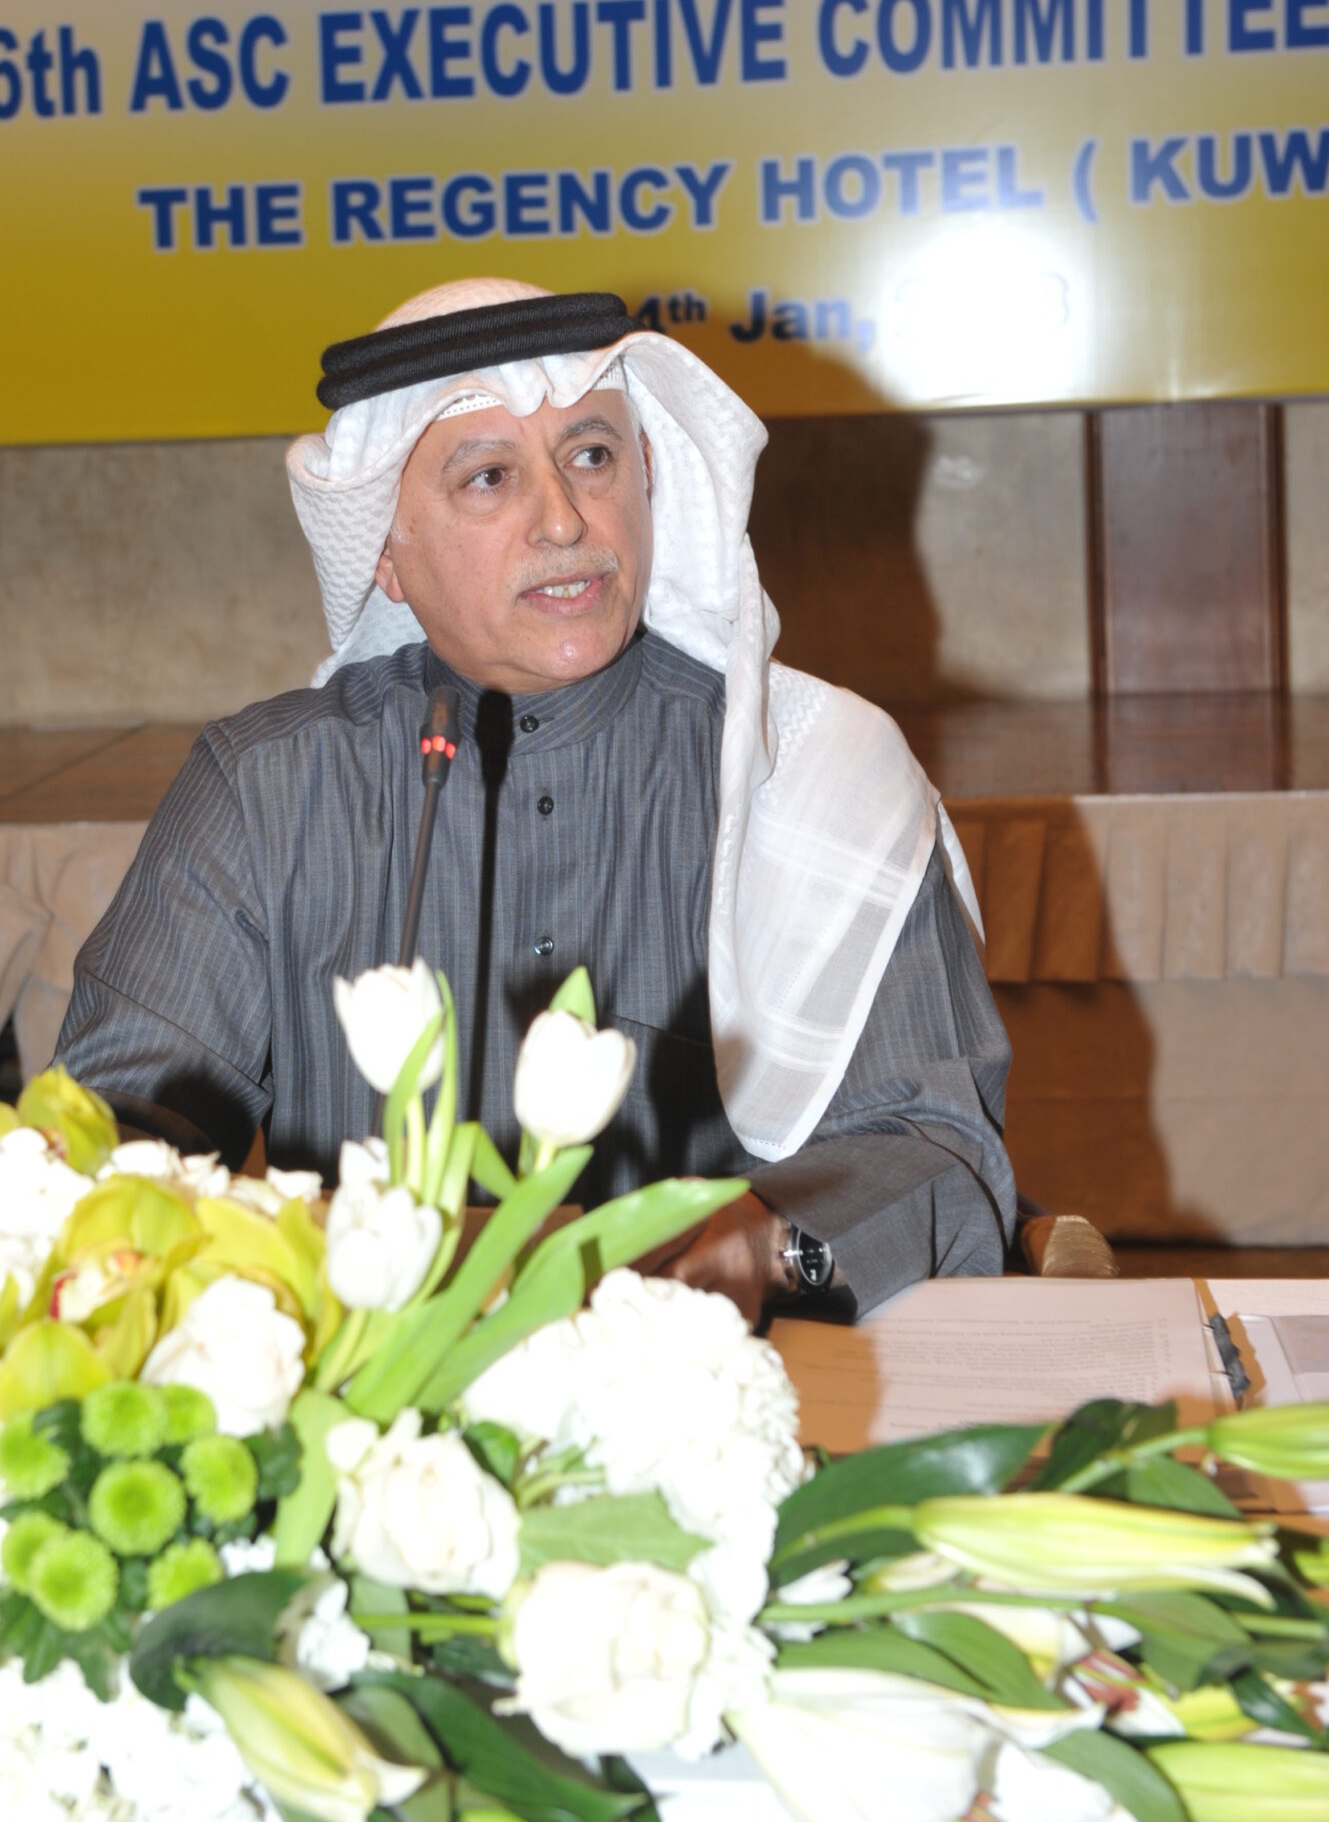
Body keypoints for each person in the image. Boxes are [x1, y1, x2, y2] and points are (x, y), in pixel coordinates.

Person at [57, 279, 1015, 1321]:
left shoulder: (812, 772)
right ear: (385, 554)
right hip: (376, 1390)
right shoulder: (268, 789)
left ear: (647, 480)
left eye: (592, 457)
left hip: (740, 1376)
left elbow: (934, 1149)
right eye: (489, 478)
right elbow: (109, 1134)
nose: (563, 519)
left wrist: (769, 1244)